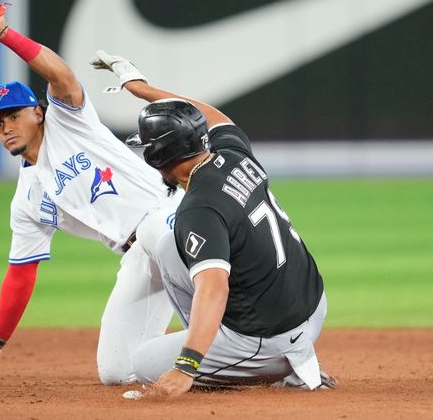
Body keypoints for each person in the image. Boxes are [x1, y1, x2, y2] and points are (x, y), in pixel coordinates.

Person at [91, 51, 334, 398]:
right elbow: (212, 115)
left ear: (159, 156)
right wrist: (142, 90)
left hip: (271, 341)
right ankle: (229, 347)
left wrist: (186, 366)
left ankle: (277, 369)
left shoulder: (199, 208)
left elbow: (214, 287)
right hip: (313, 306)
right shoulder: (231, 154)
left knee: (144, 362)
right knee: (167, 247)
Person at [0, 16, 180, 388]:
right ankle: (216, 362)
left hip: (174, 221)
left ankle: (264, 350)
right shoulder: (25, 202)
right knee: (116, 372)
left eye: (13, 116)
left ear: (38, 113)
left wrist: (3, 34)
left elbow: (61, 76)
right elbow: (20, 274)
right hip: (139, 256)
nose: (6, 127)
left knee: (217, 305)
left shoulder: (69, 123)